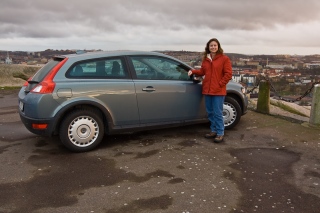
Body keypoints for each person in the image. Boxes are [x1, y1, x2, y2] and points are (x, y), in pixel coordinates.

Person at [188, 38, 232, 143]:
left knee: (217, 112)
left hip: (218, 91)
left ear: (218, 46)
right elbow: (203, 71)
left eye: (215, 45)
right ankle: (213, 130)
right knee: (210, 112)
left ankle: (220, 133)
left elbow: (228, 74)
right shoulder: (206, 59)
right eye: (211, 45)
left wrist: (219, 85)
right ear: (208, 47)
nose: (213, 47)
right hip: (207, 90)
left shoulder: (224, 59)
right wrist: (193, 71)